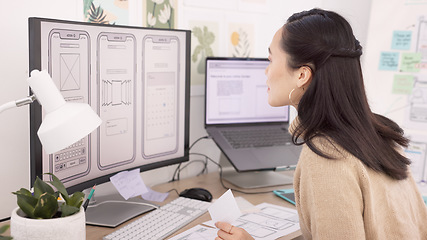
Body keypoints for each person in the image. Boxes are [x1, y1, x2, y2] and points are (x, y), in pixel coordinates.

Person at [215, 8, 427, 240]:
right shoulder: (379, 133)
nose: (266, 71)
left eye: (271, 60)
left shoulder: (326, 156)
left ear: (302, 75)